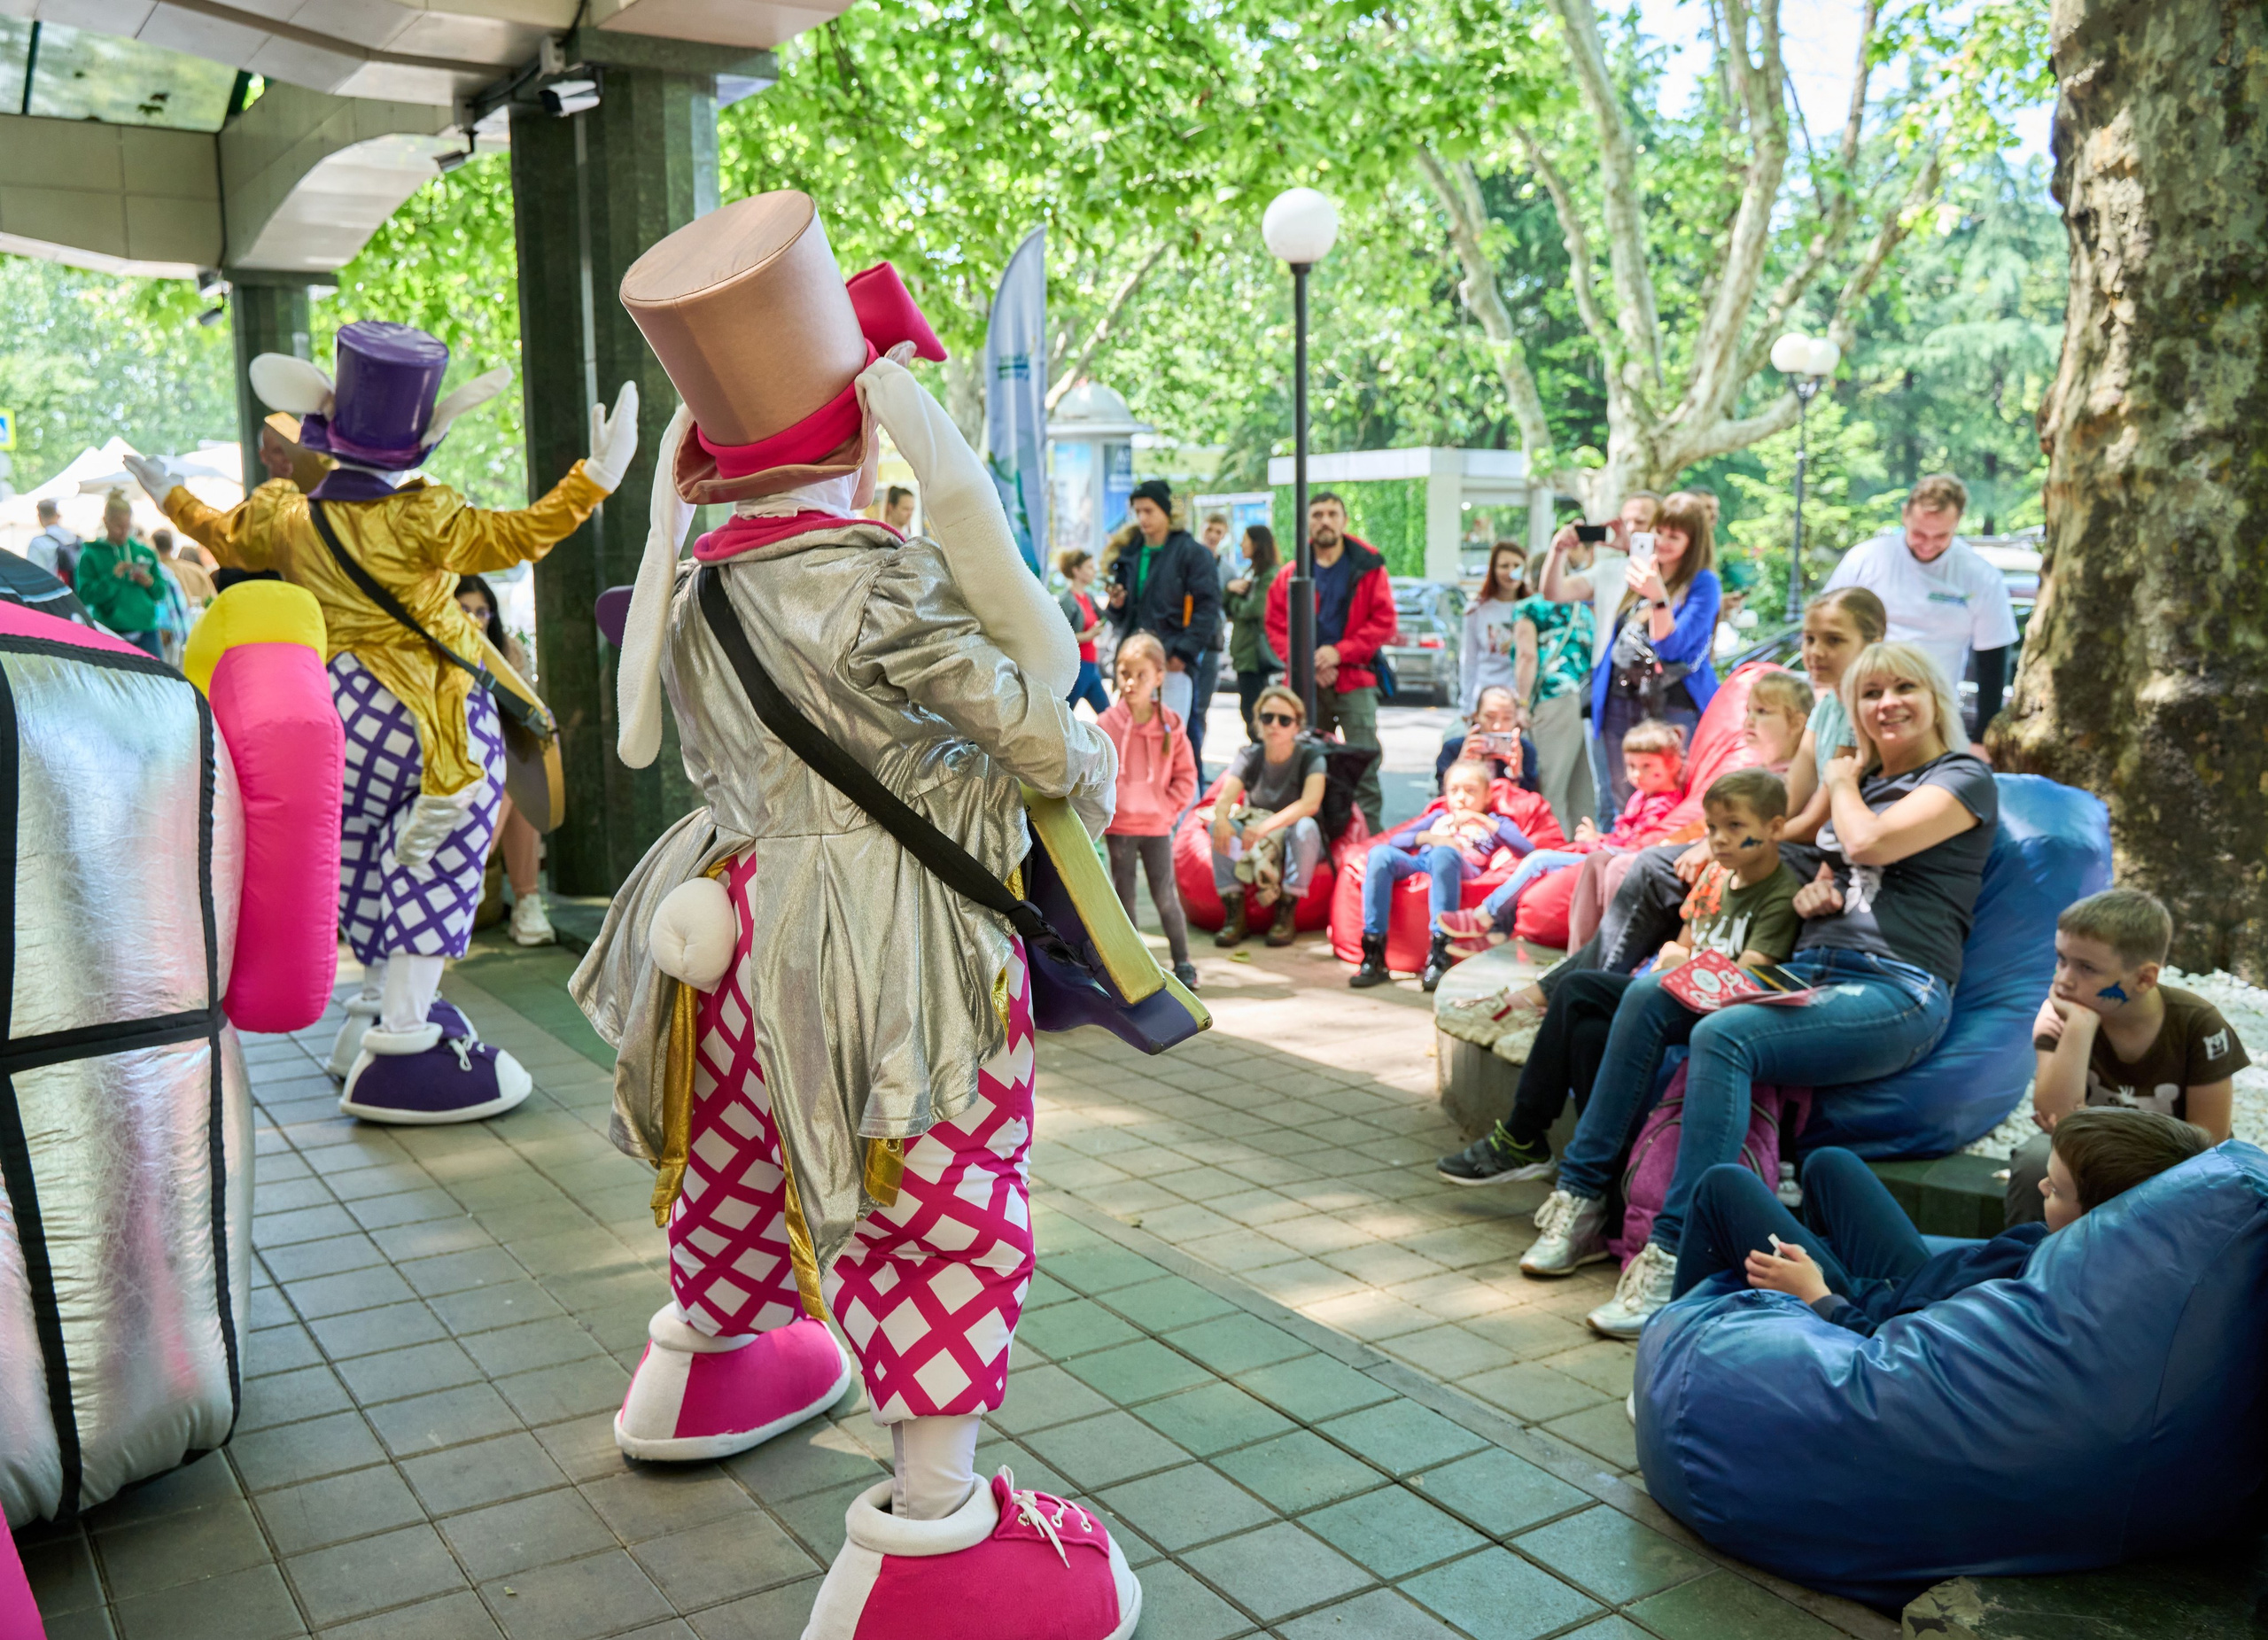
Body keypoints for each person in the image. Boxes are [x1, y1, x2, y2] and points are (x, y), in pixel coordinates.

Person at [577, 194, 1138, 1633]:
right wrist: (1086, 742)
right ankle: (931, 1532)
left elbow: (674, 747)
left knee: (731, 1149)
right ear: (862, 439)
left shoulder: (695, 591)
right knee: (931, 1199)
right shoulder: (883, 579)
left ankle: (703, 1363)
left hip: (721, 915)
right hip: (880, 940)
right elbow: (1043, 730)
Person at [133, 320, 633, 1125]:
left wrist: (168, 494)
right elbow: (520, 534)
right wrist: (594, 477)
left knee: (362, 854)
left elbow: (220, 533)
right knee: (439, 859)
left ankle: (366, 1013)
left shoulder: (288, 514)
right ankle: (402, 1040)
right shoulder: (424, 514)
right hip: (429, 718)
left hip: (334, 710)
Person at [1522, 641, 1997, 1340]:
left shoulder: (1961, 776)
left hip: (1896, 987)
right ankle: (1582, 1196)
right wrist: (1817, 894)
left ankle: (1677, 1249)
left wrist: (1841, 778)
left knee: (1724, 1034)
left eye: (1904, 689)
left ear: (1935, 697)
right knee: (1651, 994)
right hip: (1810, 970)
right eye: (1870, 694)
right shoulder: (1862, 782)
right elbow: (1839, 865)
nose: (1887, 704)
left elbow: (1869, 844)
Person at [1438, 768, 1805, 1185]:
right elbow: (1680, 944)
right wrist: (1678, 961)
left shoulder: (1779, 894)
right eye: (1713, 828)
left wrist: (1679, 965)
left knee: (1576, 989)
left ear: (1775, 828)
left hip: (1712, 1012)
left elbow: (1743, 979)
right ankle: (1607, 1178)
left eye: (1735, 827)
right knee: (1588, 1033)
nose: (1719, 840)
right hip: (1676, 991)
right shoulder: (1715, 875)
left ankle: (1523, 1137)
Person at [1677, 1109, 2211, 1333]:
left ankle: (1670, 1349)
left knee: (1724, 1185)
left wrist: (1816, 1294)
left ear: (2100, 1219)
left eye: (2056, 1189)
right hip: (1907, 1283)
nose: (2041, 1188)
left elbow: (1894, 1352)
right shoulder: (2066, 1249)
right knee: (1829, 1163)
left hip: (1864, 1316)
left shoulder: (2026, 1293)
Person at [2006, 889, 2247, 1225]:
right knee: (2035, 1162)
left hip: (2174, 1164)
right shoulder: (2061, 1017)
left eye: (2086, 968)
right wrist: (2080, 1027)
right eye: (2061, 959)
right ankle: (2036, 1256)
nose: (2063, 979)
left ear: (2144, 978)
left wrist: (2119, 1158)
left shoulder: (2198, 1025)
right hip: (2090, 1153)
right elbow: (2054, 1118)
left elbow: (2209, 1142)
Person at [1440, 719, 1688, 956]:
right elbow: (1627, 836)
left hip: (1616, 862)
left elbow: (1636, 844)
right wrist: (1598, 837)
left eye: (1647, 767)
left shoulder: (1662, 804)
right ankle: (1496, 932)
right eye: (1631, 766)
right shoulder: (1643, 797)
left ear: (1672, 765)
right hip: (1610, 854)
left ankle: (1485, 915)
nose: (1637, 775)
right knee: (1536, 868)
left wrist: (1597, 841)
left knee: (1539, 862)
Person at [1564, 491, 1722, 810]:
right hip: (1621, 700)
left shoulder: (1703, 583)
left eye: (1674, 536)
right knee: (1621, 800)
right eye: (1658, 532)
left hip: (1673, 705)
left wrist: (1658, 598)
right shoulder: (1641, 569)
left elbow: (1672, 648)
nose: (1662, 541)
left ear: (1693, 542)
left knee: (1672, 798)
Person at [1823, 473, 2016, 731]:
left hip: (1934, 716)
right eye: (1919, 534)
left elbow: (1992, 661)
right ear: (1905, 515)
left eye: (1941, 536)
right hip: (1859, 707)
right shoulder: (1866, 560)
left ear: (1958, 521)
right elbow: (1825, 628)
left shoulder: (1981, 577)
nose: (1928, 545)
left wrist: (1982, 737)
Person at [1352, 758, 1547, 991]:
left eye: (1471, 791)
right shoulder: (1439, 817)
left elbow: (1526, 849)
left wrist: (1481, 820)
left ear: (1487, 796)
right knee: (1380, 854)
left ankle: (1439, 953)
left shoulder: (1495, 821)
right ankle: (1373, 951)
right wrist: (1431, 838)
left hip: (1462, 864)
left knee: (1443, 854)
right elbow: (1397, 840)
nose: (1461, 798)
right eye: (1454, 791)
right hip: (1423, 861)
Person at [1263, 492, 1396, 830]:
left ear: (1344, 521)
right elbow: (1276, 626)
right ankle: (1311, 842)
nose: (1325, 520)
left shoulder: (1368, 566)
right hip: (1305, 683)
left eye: (1332, 514)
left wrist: (1340, 652)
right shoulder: (1291, 573)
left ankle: (1369, 845)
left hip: (1355, 677)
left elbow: (1384, 622)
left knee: (1363, 766)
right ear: (1307, 522)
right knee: (1304, 765)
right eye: (1318, 514)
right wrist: (1305, 663)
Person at [455, 573, 555, 946]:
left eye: (482, 611)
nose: (474, 619)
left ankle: (482, 870)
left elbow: (522, 713)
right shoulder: (432, 649)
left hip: (496, 757)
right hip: (450, 758)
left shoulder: (506, 651)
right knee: (514, 777)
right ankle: (524, 898)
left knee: (519, 771)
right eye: (464, 609)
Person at [1099, 633, 1200, 989]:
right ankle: (1133, 970)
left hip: (1157, 828)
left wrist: (1168, 810)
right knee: (1124, 899)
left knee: (1165, 896)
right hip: (1120, 829)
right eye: (1124, 673)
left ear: (1159, 677)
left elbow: (1186, 775)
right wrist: (1106, 811)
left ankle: (1184, 963)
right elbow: (1094, 775)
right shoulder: (1106, 724)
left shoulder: (1171, 723)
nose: (1130, 682)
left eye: (1140, 675)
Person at [1106, 478, 1222, 760]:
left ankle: (1186, 787)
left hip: (1172, 661)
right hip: (1134, 662)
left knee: (1175, 739)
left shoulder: (1191, 553)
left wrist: (1183, 653)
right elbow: (1124, 613)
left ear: (1166, 512)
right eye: (1138, 511)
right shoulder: (1130, 553)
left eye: (1149, 511)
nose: (1142, 518)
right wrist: (1117, 604)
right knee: (1134, 739)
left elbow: (1208, 607)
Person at [1211, 683, 1327, 948]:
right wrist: (1221, 819)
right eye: (1267, 718)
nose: (1274, 725)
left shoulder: (1311, 757)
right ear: (1258, 722)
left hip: (1292, 837)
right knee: (1218, 827)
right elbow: (1225, 797)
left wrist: (1264, 828)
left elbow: (1310, 804)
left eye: (1284, 720)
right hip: (1256, 837)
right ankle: (1234, 912)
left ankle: (1285, 912)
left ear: (1296, 726)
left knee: (1306, 827)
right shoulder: (1249, 755)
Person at [1783, 587, 1889, 843]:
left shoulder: (1866, 713)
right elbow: (1792, 793)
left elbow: (1816, 825)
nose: (1815, 652)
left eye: (1834, 640)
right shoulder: (1828, 704)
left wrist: (1747, 841)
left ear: (1872, 646)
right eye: (1809, 639)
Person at [1511, 556, 1596, 836]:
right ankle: (1584, 850)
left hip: (1554, 698)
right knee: (1582, 791)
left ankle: (1554, 850)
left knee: (1551, 786)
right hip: (1588, 702)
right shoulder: (1583, 611)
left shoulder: (1529, 608)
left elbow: (1527, 657)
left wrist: (1523, 704)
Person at [74, 491, 166, 657]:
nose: (124, 532)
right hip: (109, 631)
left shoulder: (145, 552)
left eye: (127, 526)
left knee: (156, 673)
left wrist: (149, 583)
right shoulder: (91, 555)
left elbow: (160, 593)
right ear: (106, 522)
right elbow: (85, 596)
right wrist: (113, 578)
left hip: (146, 630)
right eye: (118, 526)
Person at [1223, 525, 1282, 738]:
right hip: (1246, 655)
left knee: (1255, 712)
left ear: (1257, 544)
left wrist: (1235, 603)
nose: (1241, 544)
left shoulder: (1269, 575)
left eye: (1245, 539)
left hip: (1256, 657)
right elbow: (1228, 606)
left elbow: (1256, 609)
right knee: (1250, 710)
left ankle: (1263, 753)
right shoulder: (1253, 573)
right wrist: (1230, 590)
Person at [1461, 540, 1530, 714]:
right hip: (1487, 700)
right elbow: (1469, 660)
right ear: (1493, 570)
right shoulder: (1476, 610)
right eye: (1504, 566)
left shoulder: (1534, 608)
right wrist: (1467, 706)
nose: (1511, 572)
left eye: (1517, 566)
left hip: (1523, 701)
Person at [1435, 685, 1533, 791]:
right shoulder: (1454, 748)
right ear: (1476, 716)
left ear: (1516, 720)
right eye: (1489, 716)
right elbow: (1443, 793)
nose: (1497, 726)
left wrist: (1515, 772)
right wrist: (1462, 764)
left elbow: (1529, 795)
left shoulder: (1525, 750)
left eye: (1507, 718)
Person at [1056, 548, 1112, 713]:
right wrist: (1087, 636)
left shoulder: (1089, 597)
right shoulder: (1067, 601)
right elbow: (1060, 637)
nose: (1094, 571)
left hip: (1091, 665)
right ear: (1076, 570)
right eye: (1089, 567)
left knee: (1108, 715)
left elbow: (1106, 616)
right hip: (1077, 668)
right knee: (1064, 715)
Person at [259, 411, 336, 492]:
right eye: (278, 451)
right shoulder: (258, 498)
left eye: (292, 450)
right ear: (263, 456)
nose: (288, 457)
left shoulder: (324, 491)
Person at [27, 498, 79, 585]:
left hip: (53, 589)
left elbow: (34, 575)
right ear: (58, 516)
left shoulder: (38, 543)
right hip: (75, 589)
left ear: (39, 517)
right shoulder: (74, 537)